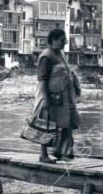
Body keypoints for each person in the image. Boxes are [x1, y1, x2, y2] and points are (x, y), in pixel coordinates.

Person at [35, 28, 81, 164]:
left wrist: (76, 89)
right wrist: (45, 99)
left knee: (69, 123)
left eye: (65, 40)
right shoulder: (46, 56)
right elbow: (42, 79)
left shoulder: (60, 54)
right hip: (51, 96)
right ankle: (43, 155)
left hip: (65, 96)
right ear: (53, 40)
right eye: (62, 40)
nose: (64, 43)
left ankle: (60, 151)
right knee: (47, 125)